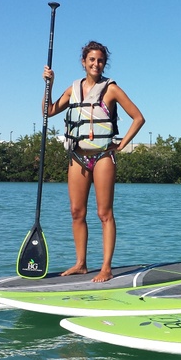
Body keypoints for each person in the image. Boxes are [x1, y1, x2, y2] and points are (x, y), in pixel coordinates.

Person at [42, 41, 145, 282]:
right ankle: (81, 263)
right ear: (83, 62)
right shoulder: (73, 88)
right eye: (91, 60)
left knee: (104, 213)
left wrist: (121, 144)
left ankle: (106, 267)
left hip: (103, 157)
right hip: (77, 157)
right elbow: (47, 111)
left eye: (100, 60)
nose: (96, 64)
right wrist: (49, 84)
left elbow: (139, 118)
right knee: (77, 212)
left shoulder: (111, 89)